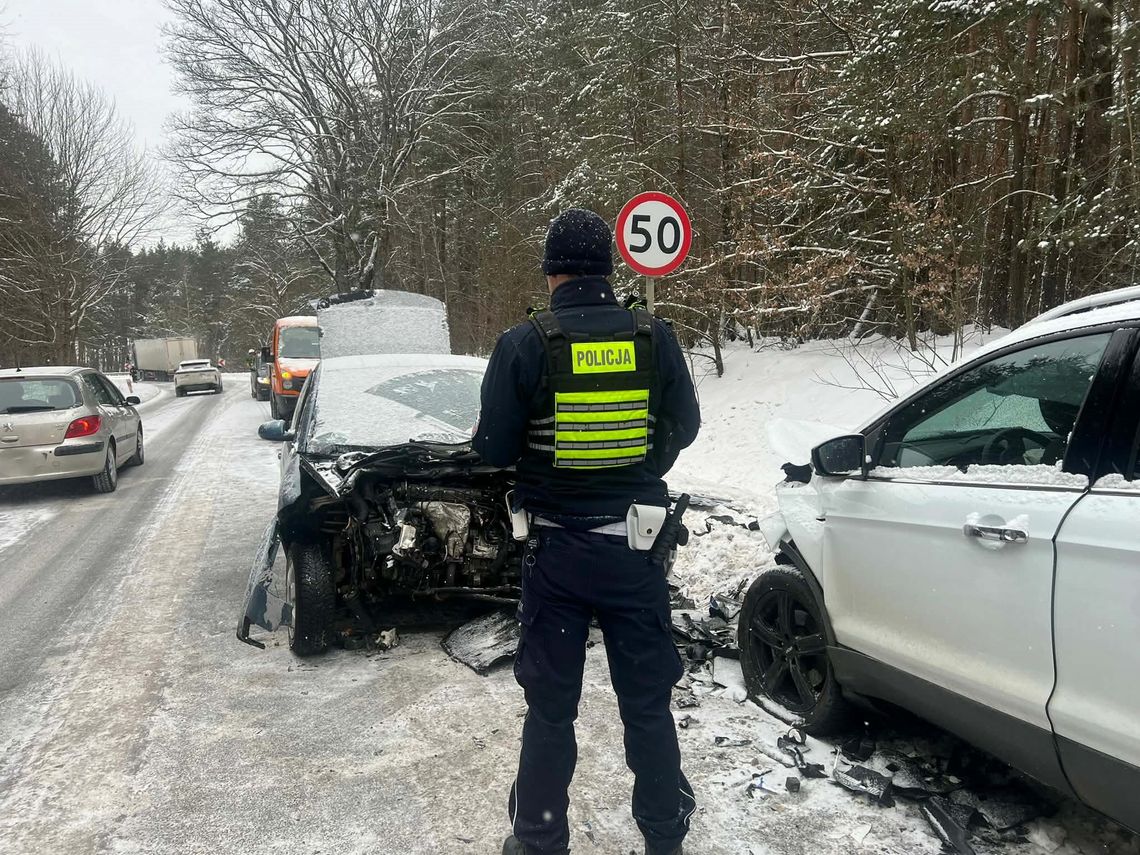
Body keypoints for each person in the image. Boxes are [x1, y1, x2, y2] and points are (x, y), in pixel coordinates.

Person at [473, 209, 701, 855]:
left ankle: (540, 838)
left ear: (553, 272)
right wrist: (641, 469)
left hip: (558, 554)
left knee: (551, 707)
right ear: (608, 268)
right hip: (635, 549)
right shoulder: (655, 337)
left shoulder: (526, 342)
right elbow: (683, 425)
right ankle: (664, 836)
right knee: (648, 703)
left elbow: (492, 448)